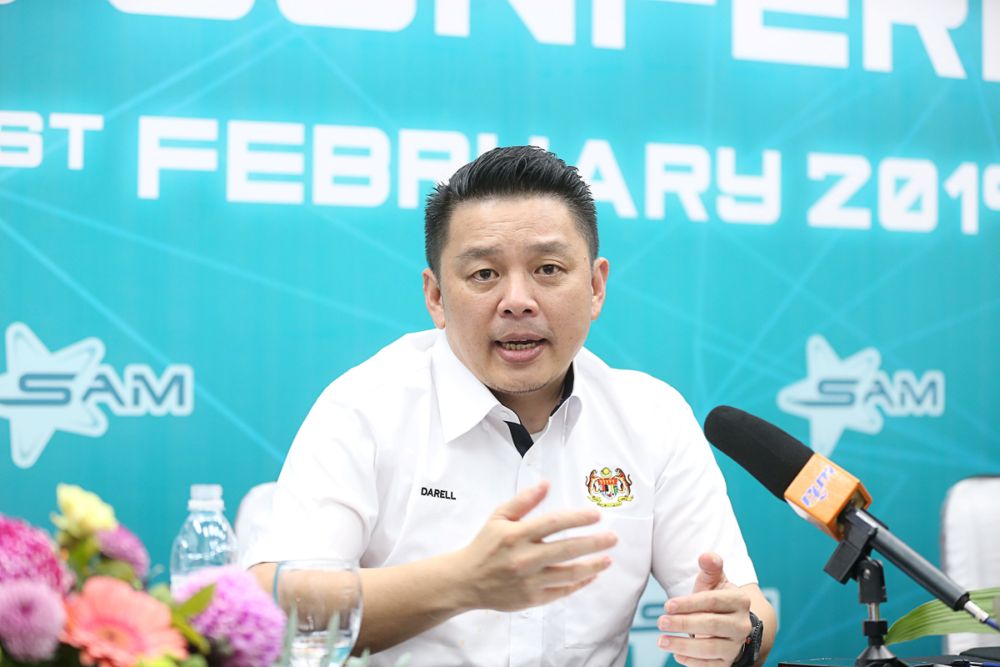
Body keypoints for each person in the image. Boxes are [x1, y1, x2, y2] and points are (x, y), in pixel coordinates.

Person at [245, 146, 777, 667]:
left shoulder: (651, 415)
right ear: (435, 297)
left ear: (595, 286)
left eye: (548, 269)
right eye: (484, 274)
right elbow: (273, 599)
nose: (517, 300)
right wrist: (461, 582)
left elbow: (747, 606)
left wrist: (736, 631)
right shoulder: (365, 406)